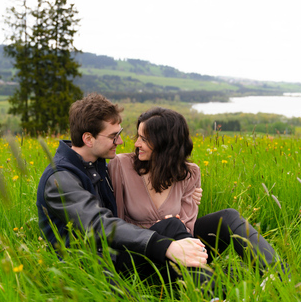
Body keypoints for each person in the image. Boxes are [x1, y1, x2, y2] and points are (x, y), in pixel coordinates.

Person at [36, 93, 209, 285]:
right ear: (88, 139)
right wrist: (163, 246)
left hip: (115, 255)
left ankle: (210, 288)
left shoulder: (96, 164)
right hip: (94, 269)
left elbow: (150, 172)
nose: (120, 141)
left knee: (173, 226)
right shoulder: (60, 179)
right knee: (171, 238)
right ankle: (211, 289)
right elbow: (99, 224)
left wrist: (186, 190)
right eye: (113, 136)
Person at [108, 107, 288, 274]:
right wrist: (161, 229)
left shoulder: (189, 173)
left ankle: (277, 274)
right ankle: (210, 289)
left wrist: (177, 226)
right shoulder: (121, 165)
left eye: (144, 139)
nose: (137, 143)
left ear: (165, 143)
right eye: (138, 136)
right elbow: (116, 223)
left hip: (181, 248)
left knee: (228, 217)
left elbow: (188, 228)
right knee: (172, 225)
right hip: (140, 252)